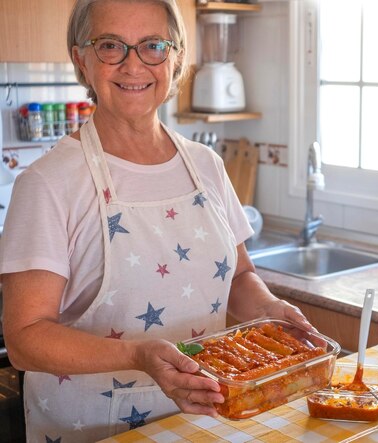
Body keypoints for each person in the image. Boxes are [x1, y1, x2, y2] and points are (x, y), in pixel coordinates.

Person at [0, 0, 315, 441]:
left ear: (176, 58)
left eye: (153, 46)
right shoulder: (48, 183)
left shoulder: (205, 166)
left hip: (205, 422)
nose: (133, 66)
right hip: (95, 429)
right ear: (81, 59)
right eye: (111, 46)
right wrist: (138, 355)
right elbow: (24, 339)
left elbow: (239, 276)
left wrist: (269, 312)